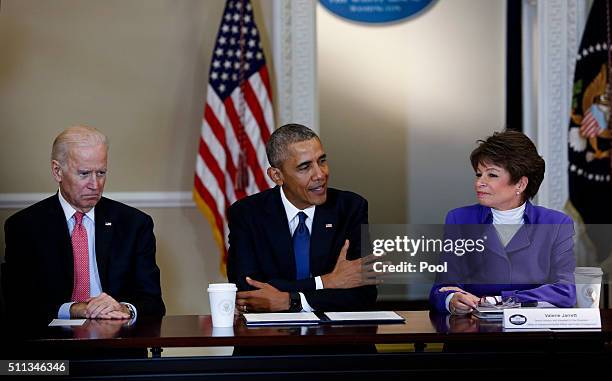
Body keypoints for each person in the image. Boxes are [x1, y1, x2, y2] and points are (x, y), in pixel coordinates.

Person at [2, 126, 165, 323]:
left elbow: (153, 303)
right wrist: (74, 309)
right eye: (84, 173)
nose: (95, 185)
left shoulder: (134, 224)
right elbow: (18, 304)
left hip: (118, 343)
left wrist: (124, 308)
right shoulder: (24, 227)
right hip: (53, 344)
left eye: (101, 173)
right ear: (57, 171)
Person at [227, 123, 377, 313]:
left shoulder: (350, 208)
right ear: (277, 176)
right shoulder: (246, 213)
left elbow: (364, 294)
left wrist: (292, 300)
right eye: (305, 167)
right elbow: (248, 291)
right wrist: (327, 281)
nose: (320, 174)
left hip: (338, 337)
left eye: (322, 161)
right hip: (270, 336)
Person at [429, 130, 576, 314]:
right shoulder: (459, 219)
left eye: (492, 175)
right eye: (478, 174)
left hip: (533, 336)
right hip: (474, 333)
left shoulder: (557, 224)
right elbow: (440, 289)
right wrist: (452, 300)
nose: (479, 183)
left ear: (520, 184)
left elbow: (565, 292)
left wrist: (500, 300)